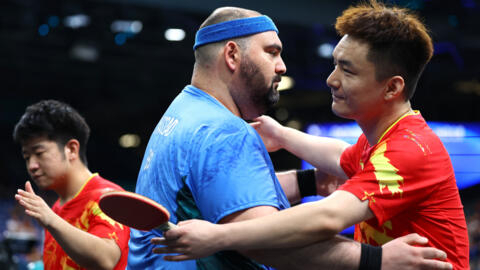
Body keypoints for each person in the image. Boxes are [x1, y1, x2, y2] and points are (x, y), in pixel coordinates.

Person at [152, 1, 469, 270]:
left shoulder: (410, 150)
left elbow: (327, 216)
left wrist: (216, 237)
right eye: (335, 65)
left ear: (392, 87)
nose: (331, 79)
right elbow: (339, 156)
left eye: (348, 70)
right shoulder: (384, 142)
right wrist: (283, 135)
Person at [13, 100, 130, 270]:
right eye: (27, 157)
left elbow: (105, 259)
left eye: (39, 153)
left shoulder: (109, 198)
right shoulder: (54, 210)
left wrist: (51, 220)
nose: (32, 165)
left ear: (72, 149)